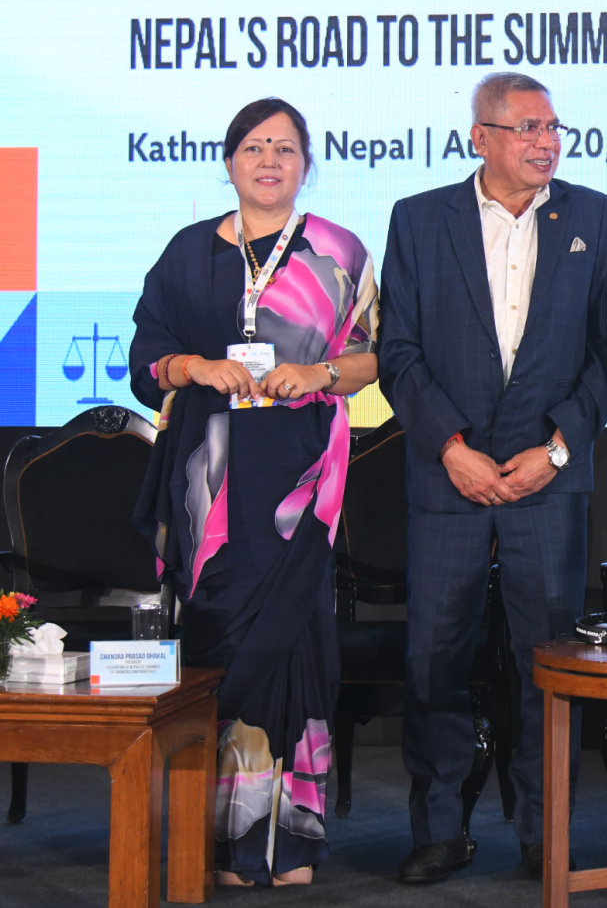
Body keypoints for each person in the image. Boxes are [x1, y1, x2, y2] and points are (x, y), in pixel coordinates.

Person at [379, 72, 607, 884]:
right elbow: (399, 352)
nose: (545, 142)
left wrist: (556, 448)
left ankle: (541, 830)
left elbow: (606, 350)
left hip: (547, 478)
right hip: (447, 475)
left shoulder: (591, 214)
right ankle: (439, 827)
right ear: (478, 136)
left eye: (553, 127)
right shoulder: (419, 220)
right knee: (435, 658)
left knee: (545, 663)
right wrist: (450, 445)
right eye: (526, 128)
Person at [131, 97, 379, 887]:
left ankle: (290, 843)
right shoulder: (186, 253)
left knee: (296, 644)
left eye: (285, 147)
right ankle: (221, 841)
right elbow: (146, 357)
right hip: (209, 486)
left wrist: (319, 373)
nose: (269, 160)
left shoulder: (339, 250)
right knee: (216, 646)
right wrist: (196, 367)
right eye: (253, 146)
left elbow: (376, 359)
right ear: (229, 160)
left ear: (307, 162)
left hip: (301, 480)